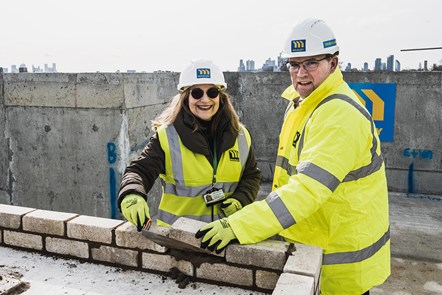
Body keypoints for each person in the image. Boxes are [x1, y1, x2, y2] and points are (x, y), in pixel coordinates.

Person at [195, 18, 390, 295]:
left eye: (311, 63)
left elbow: (306, 190)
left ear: (333, 64)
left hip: (339, 263)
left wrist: (241, 225)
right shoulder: (302, 104)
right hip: (311, 247)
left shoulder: (339, 115)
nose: (301, 73)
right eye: (294, 64)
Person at [117, 59, 261, 229]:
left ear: (221, 97)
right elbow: (140, 170)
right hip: (179, 241)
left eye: (213, 92)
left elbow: (251, 175)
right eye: (197, 93)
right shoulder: (168, 136)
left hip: (226, 235)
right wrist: (132, 193)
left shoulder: (240, 135)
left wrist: (240, 199)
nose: (205, 100)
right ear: (185, 97)